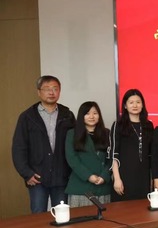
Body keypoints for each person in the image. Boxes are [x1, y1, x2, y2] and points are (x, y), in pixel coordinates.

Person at [12, 75, 76, 213]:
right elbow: (18, 148)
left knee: (61, 215)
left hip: (61, 175)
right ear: (39, 92)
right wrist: (27, 173)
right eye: (47, 89)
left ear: (59, 91)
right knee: (38, 214)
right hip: (37, 176)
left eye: (55, 89)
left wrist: (72, 171)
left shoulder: (67, 115)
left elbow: (75, 145)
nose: (51, 92)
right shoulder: (27, 117)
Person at [109, 89, 154, 201]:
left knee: (143, 208)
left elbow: (151, 153)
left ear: (142, 105)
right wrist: (117, 179)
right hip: (124, 177)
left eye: (138, 102)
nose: (135, 105)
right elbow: (114, 153)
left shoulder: (148, 125)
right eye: (131, 102)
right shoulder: (118, 125)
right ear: (125, 105)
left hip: (143, 177)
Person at [64, 101, 111, 207]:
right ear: (82, 116)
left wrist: (104, 176)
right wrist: (88, 176)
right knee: (82, 217)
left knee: (105, 217)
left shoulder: (107, 133)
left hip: (103, 187)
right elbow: (72, 159)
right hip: (81, 187)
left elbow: (112, 159)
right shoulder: (72, 133)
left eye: (95, 113)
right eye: (87, 113)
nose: (91, 116)